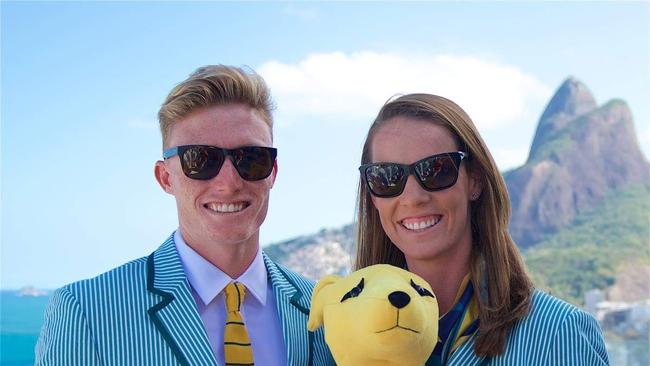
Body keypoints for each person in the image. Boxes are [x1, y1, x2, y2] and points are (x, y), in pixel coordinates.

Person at [36, 65, 334, 366]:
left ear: (273, 172)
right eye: (200, 160)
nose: (229, 182)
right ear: (165, 177)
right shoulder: (87, 312)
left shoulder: (323, 311)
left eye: (252, 159)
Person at [355, 93, 609, 365]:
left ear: (474, 180)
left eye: (437, 170)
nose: (413, 197)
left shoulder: (559, 334)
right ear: (373, 195)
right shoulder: (341, 339)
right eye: (386, 177)